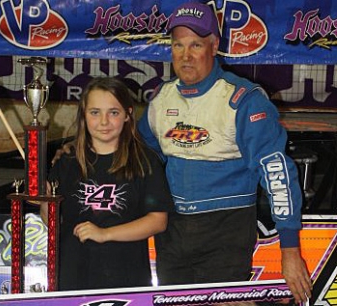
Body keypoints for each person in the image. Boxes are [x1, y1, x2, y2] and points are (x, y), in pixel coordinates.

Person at [136, 2, 312, 304]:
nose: (186, 55)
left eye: (195, 45)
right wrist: (79, 153)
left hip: (225, 234)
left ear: (214, 46)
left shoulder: (244, 100)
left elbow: (277, 174)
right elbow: (137, 157)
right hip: (172, 235)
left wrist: (290, 250)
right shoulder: (160, 100)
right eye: (178, 45)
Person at [41, 77, 174, 291]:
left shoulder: (144, 161)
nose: (104, 122)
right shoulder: (67, 161)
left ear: (128, 115)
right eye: (95, 112)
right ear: (83, 115)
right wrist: (46, 202)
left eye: (113, 112)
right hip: (73, 275)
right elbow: (54, 222)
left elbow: (158, 221)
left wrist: (105, 234)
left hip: (126, 278)